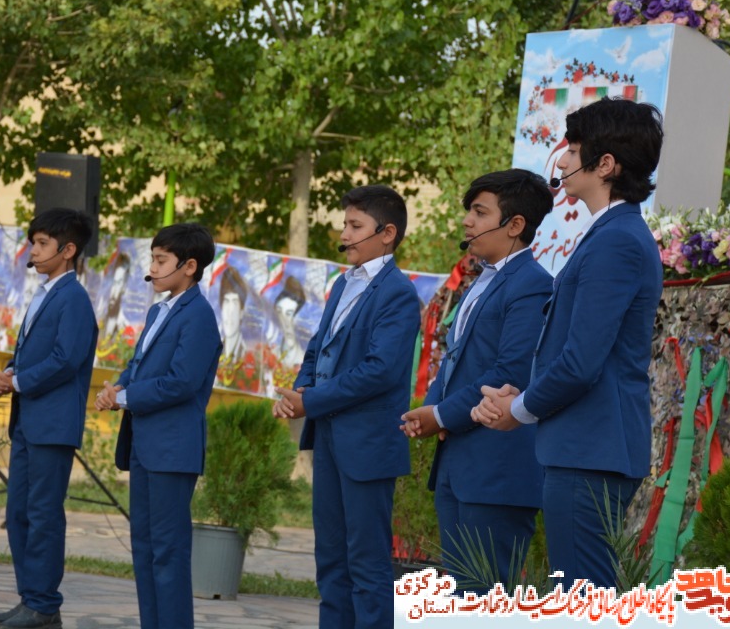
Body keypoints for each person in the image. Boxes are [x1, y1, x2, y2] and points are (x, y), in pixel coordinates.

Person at [471, 97, 664, 589]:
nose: (560, 160)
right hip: (585, 446)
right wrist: (523, 396)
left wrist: (518, 409)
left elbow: (581, 361)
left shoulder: (616, 239)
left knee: (582, 601)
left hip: (590, 450)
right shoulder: (610, 234)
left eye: (573, 149)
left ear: (605, 164)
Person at [274, 185, 420, 629]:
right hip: (330, 436)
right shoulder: (342, 283)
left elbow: (380, 371)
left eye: (356, 226)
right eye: (345, 224)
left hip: (368, 444)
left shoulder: (398, 292)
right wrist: (301, 389)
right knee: (331, 560)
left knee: (367, 565)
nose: (345, 234)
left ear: (387, 233)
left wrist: (312, 401)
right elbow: (319, 347)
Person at [400, 169, 553, 591]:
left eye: (480, 212)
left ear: (515, 224)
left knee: (483, 599)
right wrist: (432, 407)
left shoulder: (533, 285)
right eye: (469, 211)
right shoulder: (483, 281)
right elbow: (455, 360)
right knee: (462, 597)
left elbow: (510, 372)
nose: (467, 221)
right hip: (461, 462)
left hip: (497, 470)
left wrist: (441, 415)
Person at [94, 223, 221, 629]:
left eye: (161, 260)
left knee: (168, 551)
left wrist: (126, 398)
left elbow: (181, 382)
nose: (152, 268)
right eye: (152, 258)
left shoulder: (199, 316)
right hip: (145, 444)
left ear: (189, 266)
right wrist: (118, 386)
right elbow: (140, 366)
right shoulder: (158, 311)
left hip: (172, 449)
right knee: (145, 549)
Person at [0, 209, 98, 629]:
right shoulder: (45, 292)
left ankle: (44, 604)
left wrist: (18, 382)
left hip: (52, 425)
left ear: (68, 250)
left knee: (44, 515)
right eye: (33, 242)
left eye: (42, 243)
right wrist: (11, 371)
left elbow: (66, 359)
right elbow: (34, 353)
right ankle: (30, 598)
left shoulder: (74, 298)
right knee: (19, 513)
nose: (33, 250)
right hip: (29, 421)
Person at [215, 265, 260, 393]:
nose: (230, 311)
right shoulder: (212, 351)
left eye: (235, 302)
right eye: (226, 301)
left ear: (242, 311)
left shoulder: (251, 357)